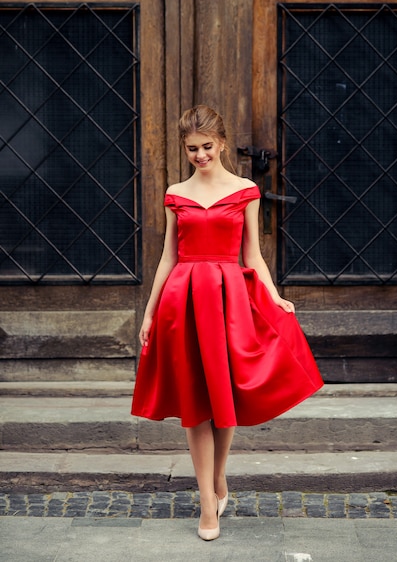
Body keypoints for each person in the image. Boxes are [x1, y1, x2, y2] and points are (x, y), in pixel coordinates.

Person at [131, 105, 324, 541]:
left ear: (220, 143)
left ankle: (220, 477)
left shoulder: (246, 191)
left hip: (228, 297)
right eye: (191, 149)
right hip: (182, 301)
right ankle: (206, 503)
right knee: (195, 404)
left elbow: (253, 255)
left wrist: (274, 297)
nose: (199, 155)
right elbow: (168, 257)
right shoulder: (175, 192)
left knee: (224, 395)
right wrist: (149, 311)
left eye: (205, 147)